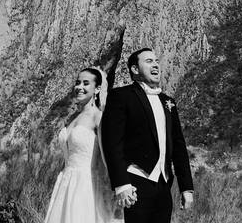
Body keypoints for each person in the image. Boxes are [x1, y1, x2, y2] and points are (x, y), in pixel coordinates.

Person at [100, 48, 195, 223]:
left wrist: (186, 188)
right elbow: (112, 143)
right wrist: (121, 184)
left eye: (157, 61)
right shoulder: (121, 96)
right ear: (135, 69)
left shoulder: (169, 102)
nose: (156, 65)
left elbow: (179, 145)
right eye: (149, 61)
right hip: (133, 184)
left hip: (163, 184)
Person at [43, 67, 121, 223]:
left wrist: (119, 185)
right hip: (65, 182)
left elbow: (109, 154)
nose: (80, 87)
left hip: (85, 184)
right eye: (78, 83)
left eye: (86, 83)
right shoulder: (72, 118)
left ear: (97, 89)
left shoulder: (98, 117)